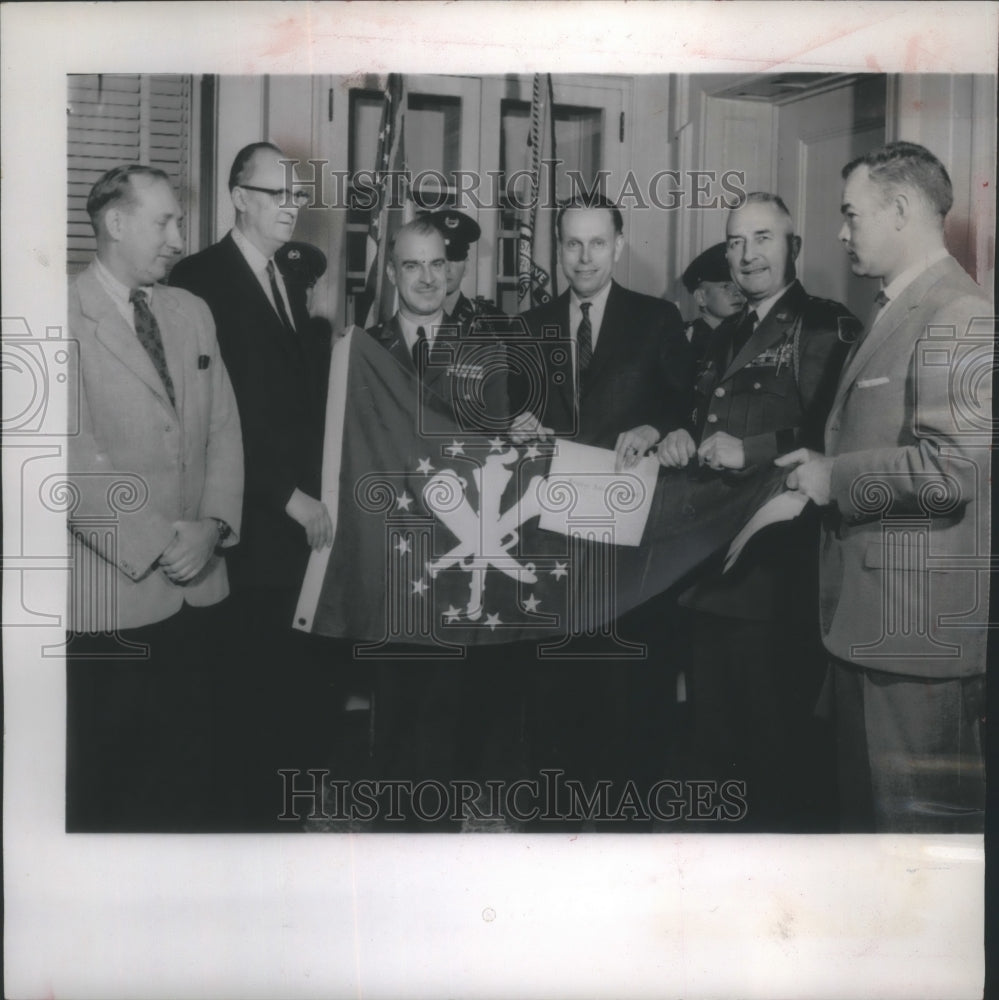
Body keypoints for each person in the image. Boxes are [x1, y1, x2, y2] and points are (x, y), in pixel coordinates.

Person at [777, 142, 991, 833]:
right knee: (871, 842)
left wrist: (831, 477)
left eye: (849, 214)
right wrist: (824, 456)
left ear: (898, 209)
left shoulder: (955, 313)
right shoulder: (903, 307)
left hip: (910, 642)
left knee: (914, 855)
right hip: (872, 628)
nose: (839, 234)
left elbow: (948, 472)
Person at [658, 192, 857, 830]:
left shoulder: (824, 324)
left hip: (777, 571)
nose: (747, 256)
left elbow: (839, 434)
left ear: (792, 247)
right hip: (713, 563)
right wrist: (678, 435)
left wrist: (750, 449)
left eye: (763, 239)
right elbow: (700, 417)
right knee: (718, 740)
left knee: (777, 750)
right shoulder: (730, 331)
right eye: (737, 242)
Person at [65, 164, 243, 831]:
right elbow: (69, 458)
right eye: (163, 221)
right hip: (111, 598)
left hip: (200, 590)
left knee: (188, 779)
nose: (178, 237)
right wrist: (162, 544)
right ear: (115, 223)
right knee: (108, 790)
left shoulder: (190, 310)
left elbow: (224, 430)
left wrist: (214, 526)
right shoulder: (54, 314)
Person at [170, 142, 338, 829]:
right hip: (242, 527)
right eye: (278, 194)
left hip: (290, 534)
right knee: (237, 701)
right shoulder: (199, 278)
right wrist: (286, 495)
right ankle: (240, 840)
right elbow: (216, 414)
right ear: (239, 196)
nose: (292, 207)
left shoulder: (284, 280)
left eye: (297, 195)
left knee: (282, 694)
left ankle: (277, 829)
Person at [512, 195, 694, 823]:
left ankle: (626, 839)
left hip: (631, 552)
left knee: (630, 700)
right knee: (554, 699)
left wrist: (655, 425)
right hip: (552, 548)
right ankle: (552, 834)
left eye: (596, 243)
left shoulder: (658, 320)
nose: (583, 258)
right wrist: (516, 423)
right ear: (557, 247)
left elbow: (688, 414)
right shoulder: (529, 325)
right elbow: (503, 420)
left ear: (618, 245)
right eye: (571, 244)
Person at [680, 241, 745, 362]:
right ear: (700, 297)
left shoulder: (749, 333)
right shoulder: (683, 340)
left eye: (739, 286)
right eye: (726, 287)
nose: (737, 293)